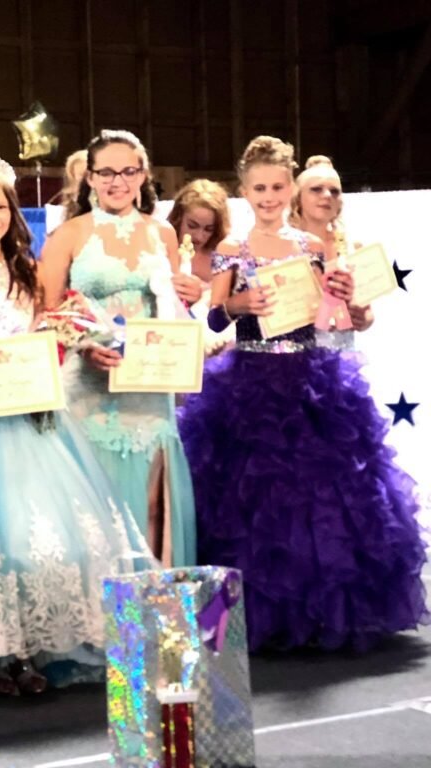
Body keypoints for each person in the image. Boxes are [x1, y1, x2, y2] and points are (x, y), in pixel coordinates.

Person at [179, 135, 428, 651]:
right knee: (253, 501)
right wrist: (242, 304)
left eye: (276, 186)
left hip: (311, 380)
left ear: (289, 187)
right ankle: (257, 616)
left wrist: (343, 301)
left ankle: (322, 612)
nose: (268, 196)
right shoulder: (230, 249)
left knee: (322, 498)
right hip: (249, 381)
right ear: (243, 191)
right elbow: (215, 313)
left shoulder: (313, 246)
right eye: (258, 188)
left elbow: (327, 316)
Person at [0, 153, 138, 699]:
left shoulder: (28, 275)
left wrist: (70, 341)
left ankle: (36, 648)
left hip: (33, 418)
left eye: (0, 207)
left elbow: (46, 336)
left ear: (13, 214)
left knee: (45, 539)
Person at [40, 129, 199, 567]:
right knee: (94, 509)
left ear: (143, 174)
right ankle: (97, 619)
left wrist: (192, 295)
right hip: (89, 387)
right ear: (89, 177)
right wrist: (85, 346)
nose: (117, 181)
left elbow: (173, 307)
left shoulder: (163, 234)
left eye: (127, 171)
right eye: (105, 172)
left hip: (148, 388)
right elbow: (47, 313)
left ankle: (149, 620)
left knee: (151, 504)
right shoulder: (70, 234)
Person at [290, 155, 373, 349]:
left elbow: (367, 313)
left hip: (340, 358)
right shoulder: (282, 246)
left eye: (334, 191)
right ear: (298, 198)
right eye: (316, 189)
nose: (326, 195)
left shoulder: (352, 248)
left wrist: (363, 318)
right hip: (293, 357)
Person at [166, 179, 236, 355]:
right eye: (192, 225)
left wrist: (203, 298)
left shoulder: (222, 256)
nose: (199, 235)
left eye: (208, 229)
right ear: (178, 217)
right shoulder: (161, 248)